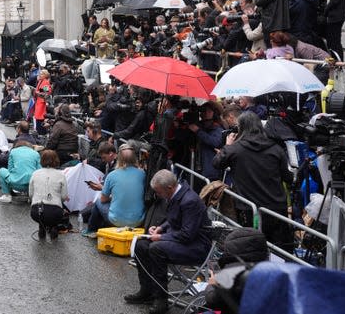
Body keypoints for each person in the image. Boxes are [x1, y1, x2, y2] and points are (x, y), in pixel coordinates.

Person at [125, 169, 212, 314]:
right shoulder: (175, 195)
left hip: (197, 247)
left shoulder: (189, 200)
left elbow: (187, 234)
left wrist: (161, 237)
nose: (157, 195)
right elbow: (173, 220)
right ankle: (147, 291)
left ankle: (161, 300)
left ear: (169, 188)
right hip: (184, 241)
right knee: (141, 245)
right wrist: (160, 228)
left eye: (158, 192)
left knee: (156, 248)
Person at [212, 111, 293, 252]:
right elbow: (288, 177)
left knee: (252, 248)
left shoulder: (235, 149)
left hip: (249, 209)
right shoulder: (275, 148)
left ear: (241, 127)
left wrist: (228, 145)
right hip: (275, 207)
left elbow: (217, 163)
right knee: (278, 250)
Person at [81, 143, 146, 237]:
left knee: (99, 202)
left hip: (116, 220)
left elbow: (103, 199)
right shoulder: (143, 175)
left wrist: (114, 197)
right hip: (138, 221)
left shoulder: (112, 175)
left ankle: (91, 230)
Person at [29, 150, 69, 240]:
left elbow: (31, 194)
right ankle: (53, 226)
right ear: (56, 160)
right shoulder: (61, 175)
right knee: (55, 215)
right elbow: (64, 196)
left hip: (36, 211)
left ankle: (42, 226)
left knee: (41, 215)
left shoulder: (35, 173)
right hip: (54, 211)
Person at [188, 101, 225, 182]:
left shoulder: (218, 128)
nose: (204, 113)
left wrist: (198, 131)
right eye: (202, 110)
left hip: (210, 170)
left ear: (214, 113)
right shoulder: (201, 125)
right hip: (198, 167)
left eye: (207, 111)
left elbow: (216, 142)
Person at [33, 70, 51, 135]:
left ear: (45, 75)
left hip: (42, 102)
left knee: (40, 117)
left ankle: (41, 133)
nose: (40, 75)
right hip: (38, 101)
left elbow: (46, 93)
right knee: (37, 117)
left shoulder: (46, 82)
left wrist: (38, 93)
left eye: (41, 74)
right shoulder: (40, 81)